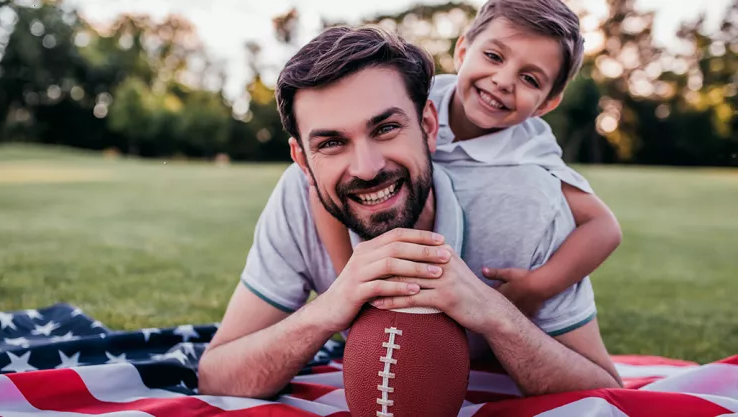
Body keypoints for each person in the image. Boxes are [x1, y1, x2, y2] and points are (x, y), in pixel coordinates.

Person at [197, 24, 623, 399]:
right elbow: (218, 377)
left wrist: (498, 316)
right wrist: (329, 308)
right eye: (330, 143)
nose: (367, 168)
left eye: (385, 128)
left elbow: (605, 388)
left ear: (429, 126)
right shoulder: (298, 196)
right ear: (303, 161)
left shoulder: (530, 200)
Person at [310, 0, 623, 318]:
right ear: (462, 52)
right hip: (379, 234)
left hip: (459, 288)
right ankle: (351, 296)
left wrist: (536, 286)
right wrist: (348, 284)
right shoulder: (414, 101)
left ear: (546, 104)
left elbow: (604, 227)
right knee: (315, 179)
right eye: (493, 56)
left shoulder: (530, 148)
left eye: (530, 79)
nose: (503, 80)